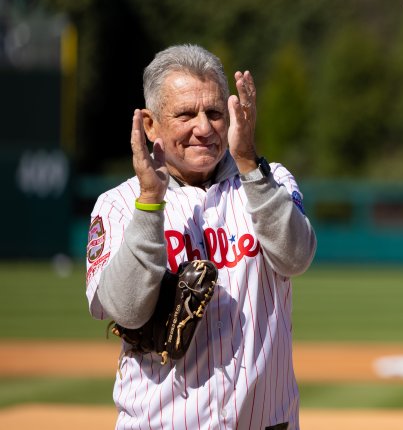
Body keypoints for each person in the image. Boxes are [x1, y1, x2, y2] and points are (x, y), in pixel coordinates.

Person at [84, 44, 317, 429]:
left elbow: (296, 257)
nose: (204, 128)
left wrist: (249, 165)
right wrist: (150, 204)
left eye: (214, 113)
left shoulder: (268, 180)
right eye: (186, 114)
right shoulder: (119, 205)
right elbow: (124, 310)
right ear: (150, 125)